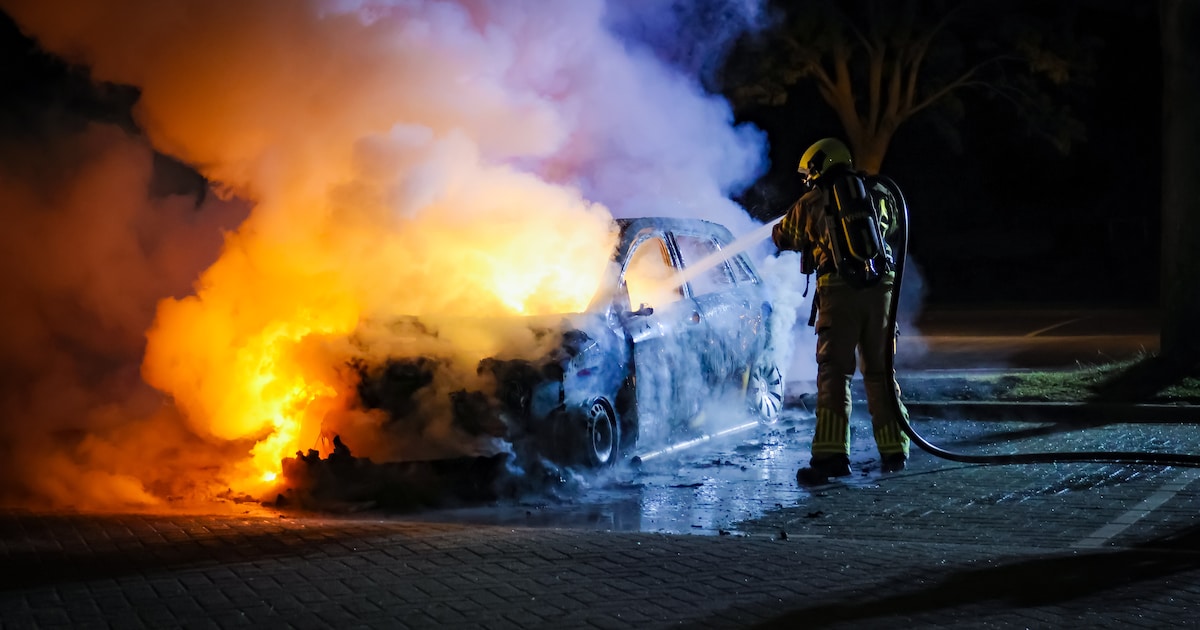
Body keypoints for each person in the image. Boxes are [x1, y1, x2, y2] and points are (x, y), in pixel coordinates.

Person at [771, 137, 911, 484]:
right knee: (880, 371)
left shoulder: (810, 201)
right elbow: (893, 228)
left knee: (835, 375)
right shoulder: (879, 191)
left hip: (838, 294)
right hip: (882, 291)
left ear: (817, 167)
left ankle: (831, 456)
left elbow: (783, 237)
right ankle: (895, 449)